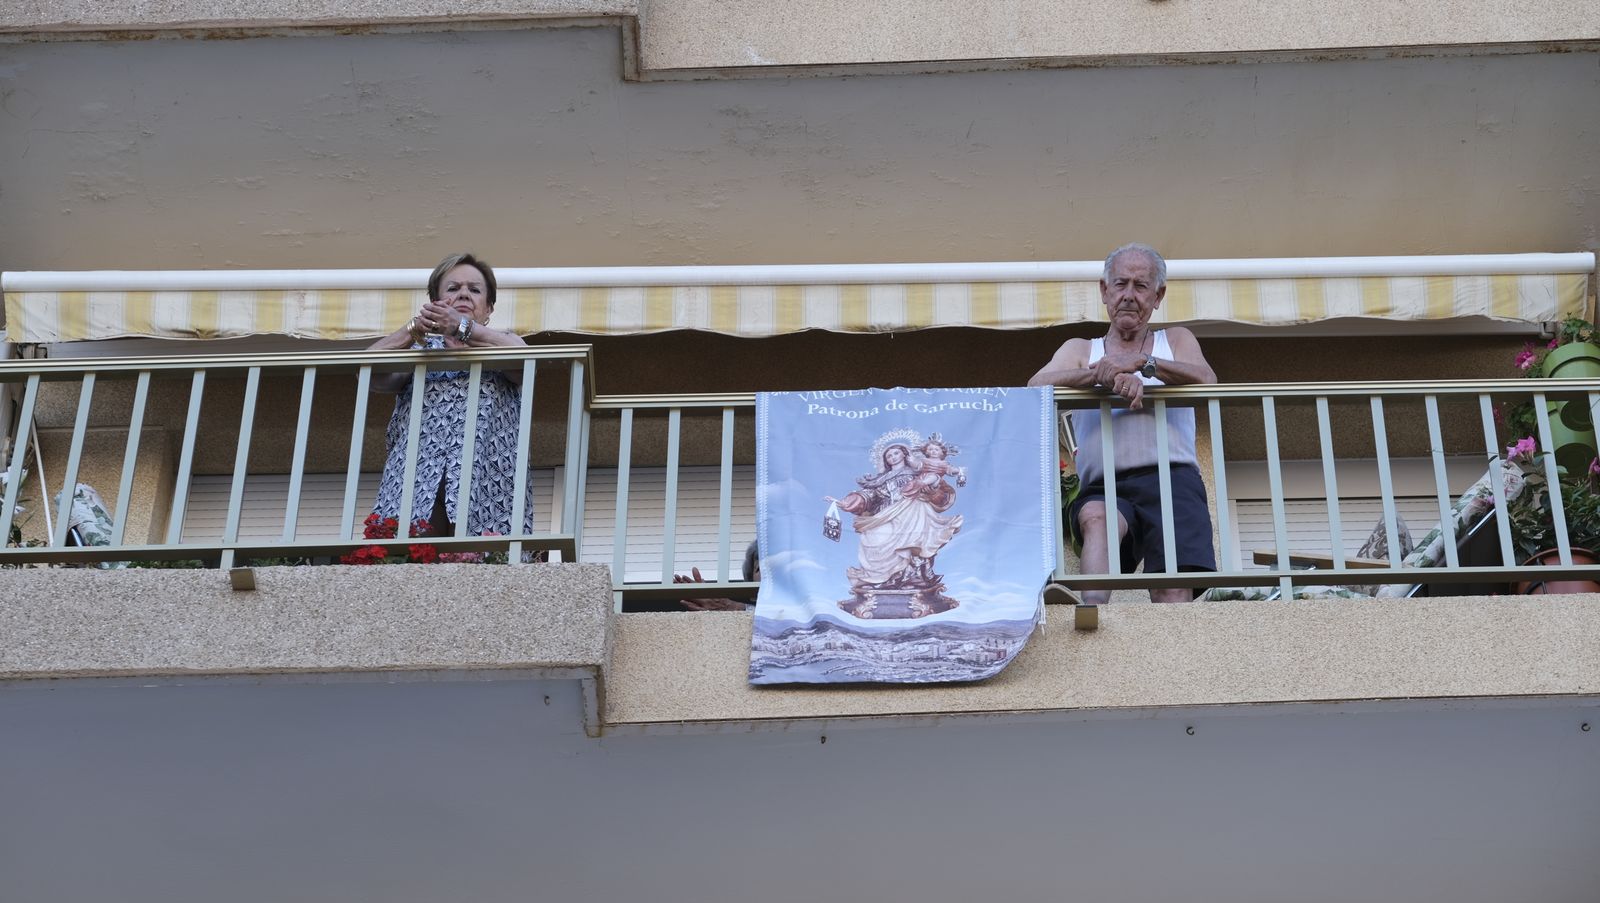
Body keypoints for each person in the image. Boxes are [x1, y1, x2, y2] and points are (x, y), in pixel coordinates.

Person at [1028, 242, 1217, 604]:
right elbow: (1036, 385)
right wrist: (1101, 376)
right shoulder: (1083, 349)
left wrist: (1146, 366)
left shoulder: (1174, 339)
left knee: (1171, 589)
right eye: (1120, 284)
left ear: (1158, 296)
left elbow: (1207, 382)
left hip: (1172, 477)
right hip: (1105, 483)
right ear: (1104, 290)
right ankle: (1091, 614)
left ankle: (1174, 657)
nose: (1129, 295)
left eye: (1141, 286)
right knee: (1097, 519)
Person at [367, 252, 534, 540]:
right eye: (453, 289)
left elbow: (524, 365)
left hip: (486, 474)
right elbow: (367, 372)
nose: (464, 295)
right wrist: (414, 330)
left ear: (489, 307)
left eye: (475, 289)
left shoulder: (503, 342)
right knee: (411, 558)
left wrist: (463, 328)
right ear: (436, 302)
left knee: (480, 559)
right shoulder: (419, 349)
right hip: (418, 473)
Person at [827, 436, 964, 592]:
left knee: (912, 541)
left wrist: (932, 486)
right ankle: (882, 579)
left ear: (904, 454)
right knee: (873, 538)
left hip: (912, 512)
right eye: (889, 455)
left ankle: (912, 577)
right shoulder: (880, 479)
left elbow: (936, 491)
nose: (893, 457)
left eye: (896, 453)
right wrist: (846, 503)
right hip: (887, 514)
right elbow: (869, 495)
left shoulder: (916, 473)